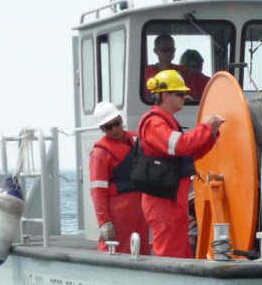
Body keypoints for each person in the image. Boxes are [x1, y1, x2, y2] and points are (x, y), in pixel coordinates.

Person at [137, 70, 225, 258]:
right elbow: (181, 145)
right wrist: (205, 127)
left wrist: (211, 134)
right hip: (163, 202)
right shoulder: (154, 124)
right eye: (180, 93)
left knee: (180, 253)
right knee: (170, 254)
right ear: (165, 95)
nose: (185, 96)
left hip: (172, 200)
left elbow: (190, 153)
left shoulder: (166, 123)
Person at [88, 101, 151, 255]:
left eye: (117, 123)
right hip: (119, 213)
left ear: (121, 120)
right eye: (108, 127)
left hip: (141, 211)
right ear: (102, 129)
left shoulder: (137, 140)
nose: (115, 129)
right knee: (114, 252)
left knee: (142, 251)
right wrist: (104, 222)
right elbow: (98, 192)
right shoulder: (100, 154)